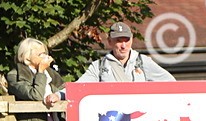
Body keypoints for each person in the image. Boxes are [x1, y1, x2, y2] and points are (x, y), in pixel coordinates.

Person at [45, 21, 174, 106]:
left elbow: (171, 84)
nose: (123, 46)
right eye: (119, 41)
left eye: (126, 40)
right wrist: (58, 95)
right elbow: (79, 87)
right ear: (110, 42)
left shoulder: (143, 61)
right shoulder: (99, 66)